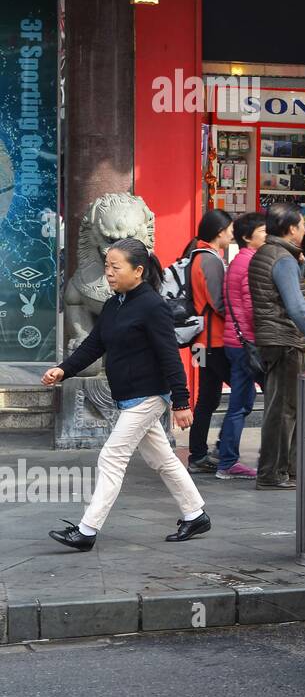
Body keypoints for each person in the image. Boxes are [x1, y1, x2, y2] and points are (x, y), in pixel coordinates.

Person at [43, 238, 211, 550]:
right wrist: (63, 370)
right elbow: (94, 345)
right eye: (107, 266)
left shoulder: (153, 307)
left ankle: (87, 530)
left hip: (148, 396)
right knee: (162, 459)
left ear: (138, 271)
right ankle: (195, 513)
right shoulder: (113, 305)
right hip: (129, 396)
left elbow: (170, 356)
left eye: (115, 267)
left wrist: (181, 400)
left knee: (111, 456)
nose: (108, 272)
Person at [249, 203, 305, 490]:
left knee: (283, 407)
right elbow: (296, 307)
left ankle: (287, 470)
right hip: (285, 339)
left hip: (273, 338)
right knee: (284, 409)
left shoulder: (268, 254)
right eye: (303, 224)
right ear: (291, 228)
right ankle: (273, 473)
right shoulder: (282, 259)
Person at [214, 211, 266, 479]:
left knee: (242, 401)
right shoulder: (249, 263)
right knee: (241, 403)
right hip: (246, 343)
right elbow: (250, 306)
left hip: (235, 340)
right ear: (248, 237)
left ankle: (225, 453)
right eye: (263, 231)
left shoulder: (237, 261)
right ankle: (228, 461)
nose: (267, 235)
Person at [184, 209, 235, 473]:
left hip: (200, 342)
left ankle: (198, 454)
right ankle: (218, 449)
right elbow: (218, 302)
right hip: (214, 341)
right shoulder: (210, 260)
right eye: (229, 228)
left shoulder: (197, 256)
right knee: (240, 391)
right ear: (219, 232)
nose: (232, 232)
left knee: (207, 397)